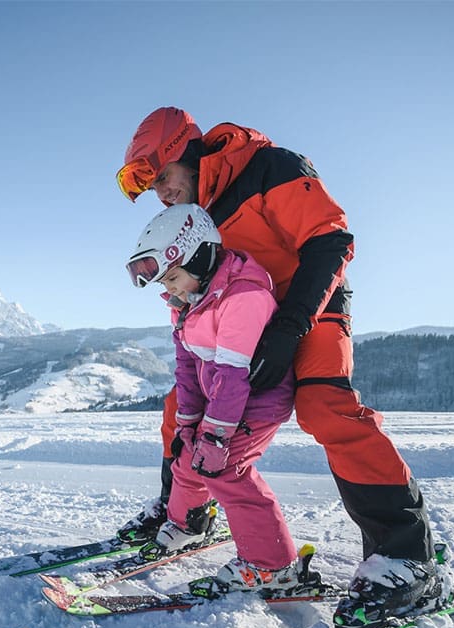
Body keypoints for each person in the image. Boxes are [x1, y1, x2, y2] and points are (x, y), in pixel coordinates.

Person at [116, 107, 447, 628]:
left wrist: (291, 325)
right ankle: (185, 512)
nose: (159, 191)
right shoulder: (195, 216)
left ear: (188, 151)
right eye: (150, 185)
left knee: (324, 407)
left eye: (162, 176)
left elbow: (331, 239)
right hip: (243, 322)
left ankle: (408, 557)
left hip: (307, 310)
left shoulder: (271, 167)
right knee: (181, 406)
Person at [125, 202, 316, 594]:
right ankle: (188, 523)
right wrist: (190, 425)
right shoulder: (186, 305)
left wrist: (215, 436)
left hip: (258, 402)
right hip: (221, 404)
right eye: (164, 282)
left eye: (173, 277)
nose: (169, 289)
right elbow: (187, 369)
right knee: (187, 457)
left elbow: (232, 374)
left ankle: (274, 565)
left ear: (199, 254)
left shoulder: (243, 294)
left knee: (228, 470)